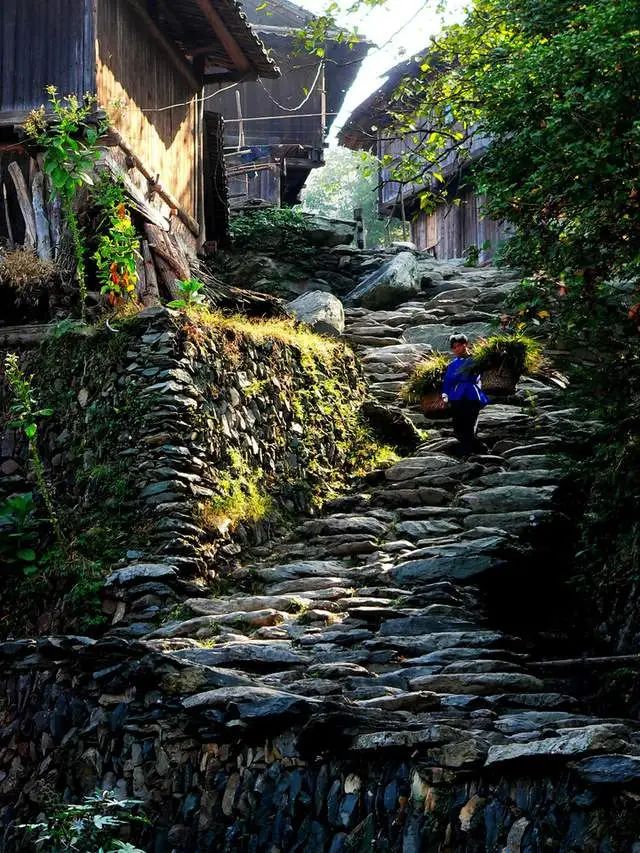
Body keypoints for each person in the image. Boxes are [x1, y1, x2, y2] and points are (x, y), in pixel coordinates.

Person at [442, 334, 489, 456]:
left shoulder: (476, 360)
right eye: (454, 347)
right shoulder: (452, 364)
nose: (456, 349)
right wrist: (445, 394)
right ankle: (479, 449)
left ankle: (471, 452)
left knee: (469, 425)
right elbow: (447, 381)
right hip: (456, 397)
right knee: (458, 428)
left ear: (465, 345)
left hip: (472, 396)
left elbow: (473, 376)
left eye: (459, 346)